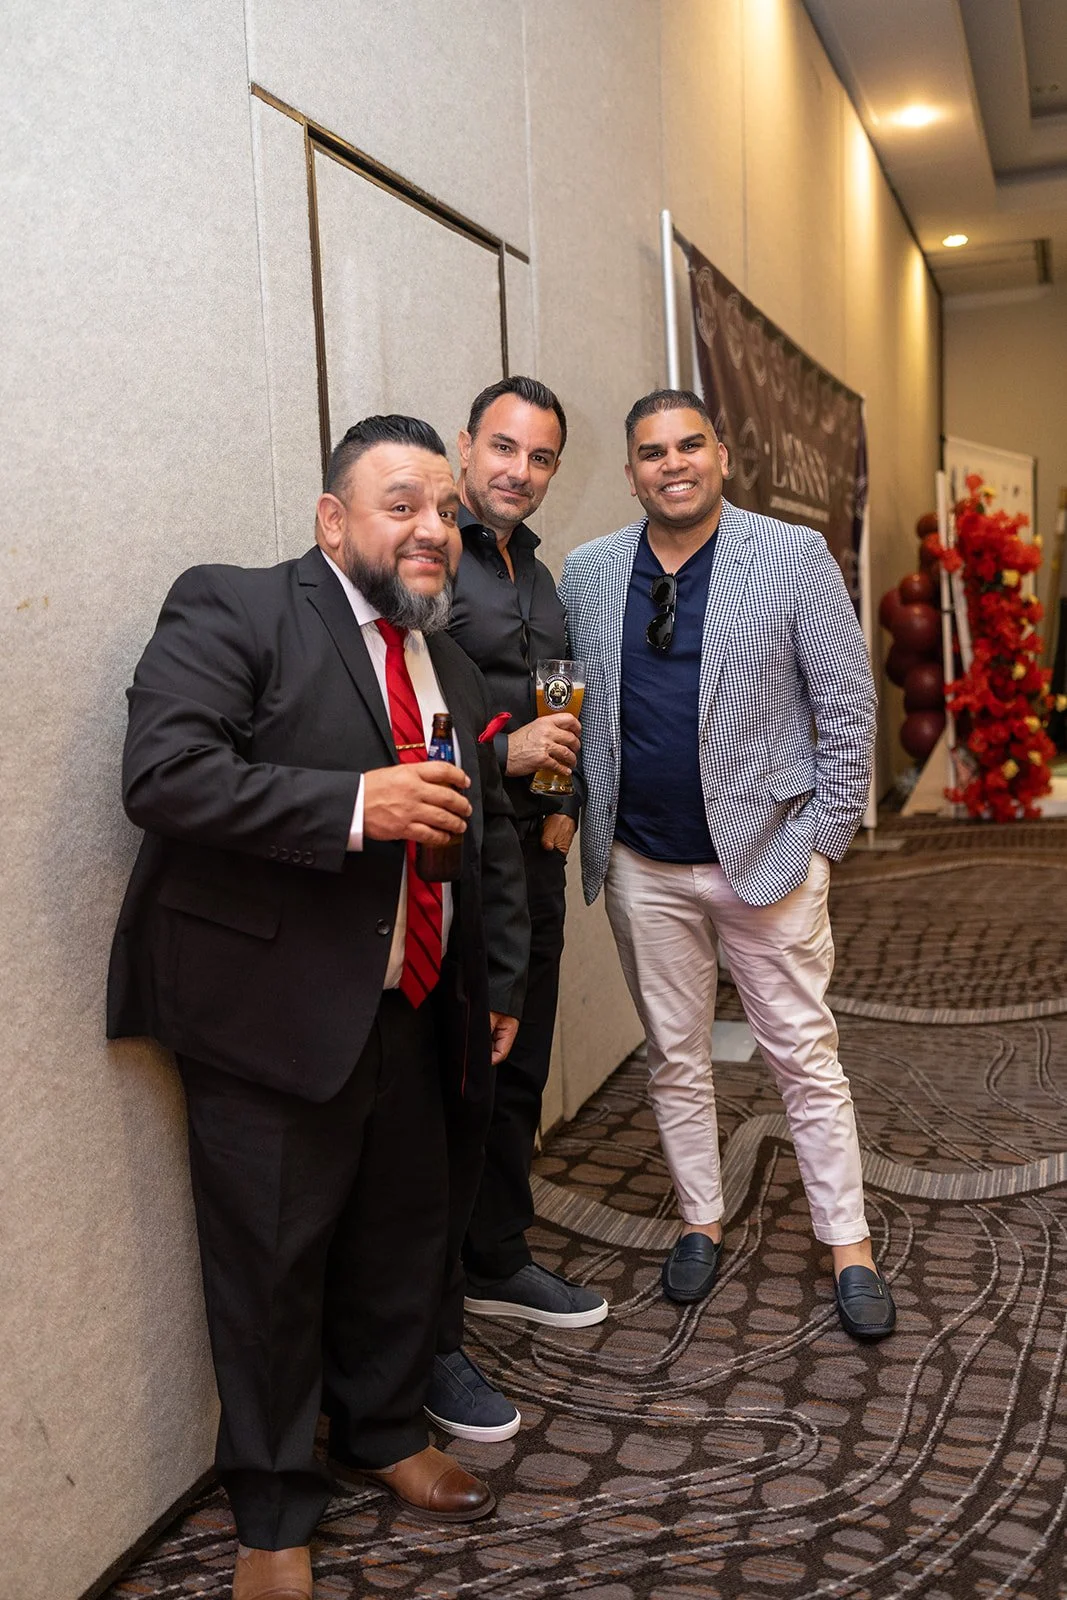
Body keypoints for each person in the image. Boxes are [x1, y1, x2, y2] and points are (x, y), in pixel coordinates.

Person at [107, 415, 529, 1600]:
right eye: (402, 505)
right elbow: (164, 774)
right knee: (270, 1268)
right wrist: (355, 806)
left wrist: (492, 982)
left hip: (416, 1001)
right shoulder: (235, 606)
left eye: (444, 510)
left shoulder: (444, 660)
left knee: (402, 1235)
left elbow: (481, 831)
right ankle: (272, 1511)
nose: (431, 528)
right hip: (271, 1012)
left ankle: (385, 1429)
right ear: (331, 521)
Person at [559, 389, 895, 1342]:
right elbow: (571, 702)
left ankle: (848, 1245)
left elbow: (846, 708)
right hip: (641, 860)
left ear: (722, 455)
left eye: (689, 445)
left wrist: (821, 840)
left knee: (803, 1057)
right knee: (674, 1055)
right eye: (651, 452)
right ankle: (699, 1220)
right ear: (631, 473)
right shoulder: (588, 572)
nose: (672, 464)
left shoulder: (791, 555)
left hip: (770, 855)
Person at [425, 377, 608, 1445]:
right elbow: (404, 711)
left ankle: (497, 1254)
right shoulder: (428, 555)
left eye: (539, 458)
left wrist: (561, 800)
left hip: (529, 853)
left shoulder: (535, 571)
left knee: (520, 1068)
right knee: (456, 1081)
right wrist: (506, 753)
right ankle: (434, 1306)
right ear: (465, 445)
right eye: (502, 447)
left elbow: (556, 706)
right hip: (451, 855)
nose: (518, 471)